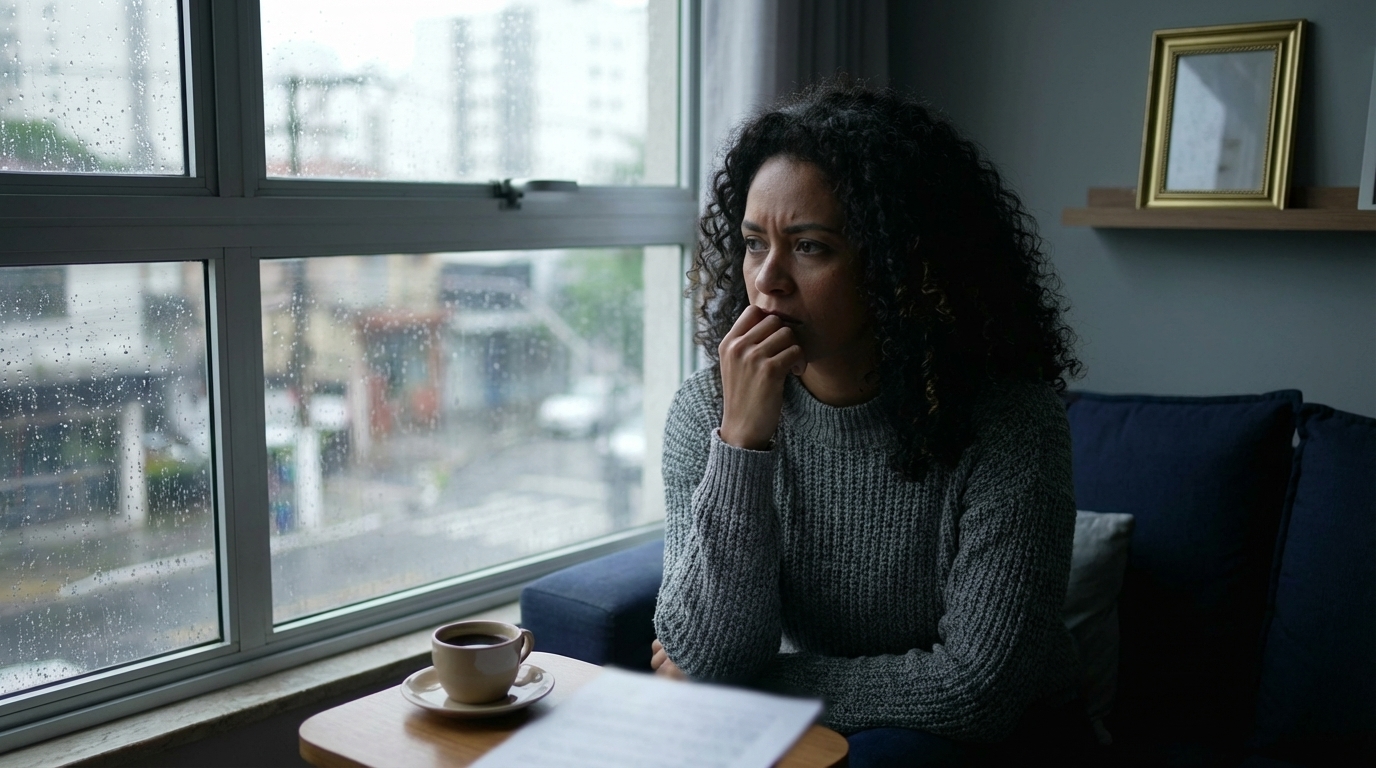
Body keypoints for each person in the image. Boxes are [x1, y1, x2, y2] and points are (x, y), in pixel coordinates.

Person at [649, 82, 1094, 767]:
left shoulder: (1012, 422)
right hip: (821, 738)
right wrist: (743, 444)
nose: (767, 281)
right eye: (752, 242)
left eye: (811, 247)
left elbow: (979, 690)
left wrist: (754, 688)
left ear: (899, 267)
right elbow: (707, 655)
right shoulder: (709, 414)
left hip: (1001, 745)